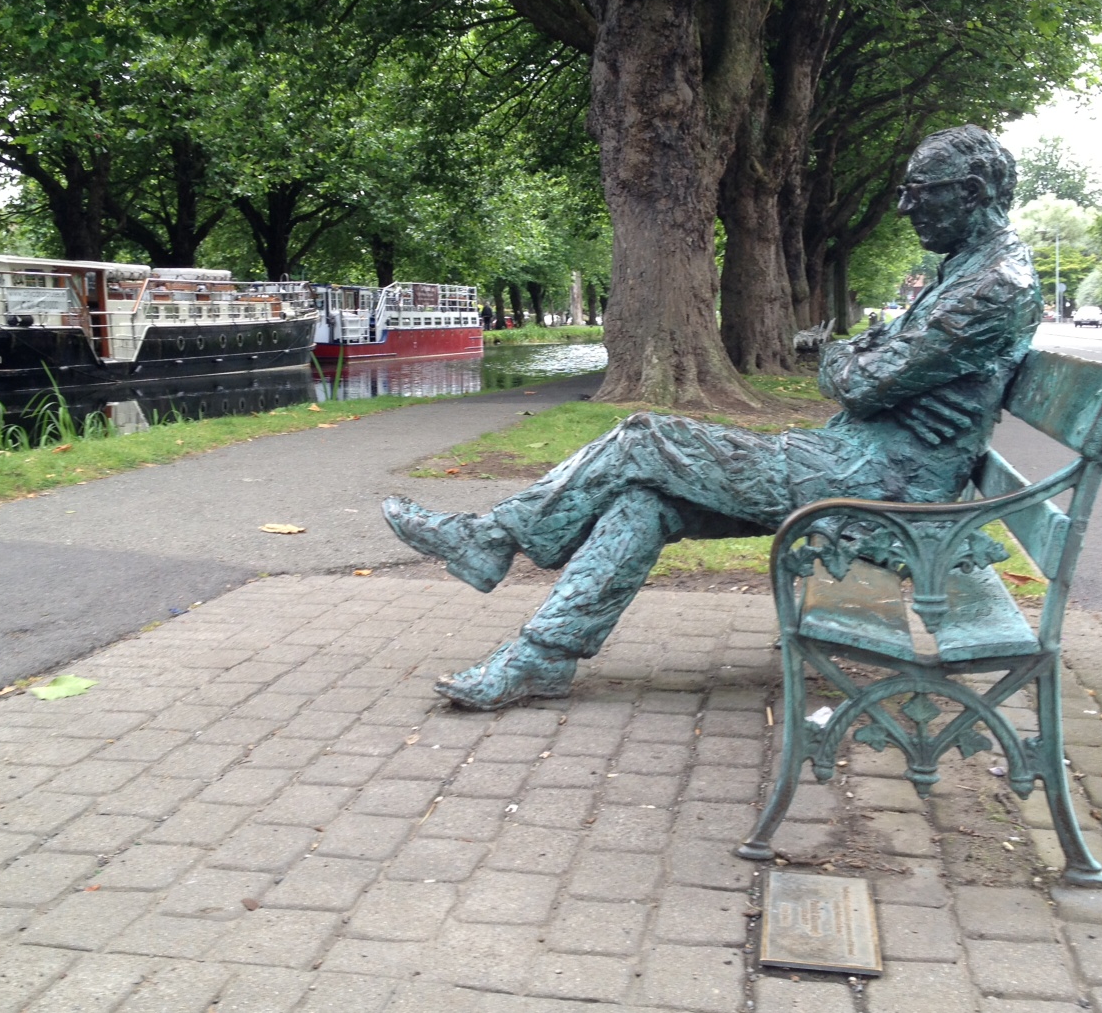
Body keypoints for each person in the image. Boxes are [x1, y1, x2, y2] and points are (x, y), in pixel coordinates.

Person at [383, 125, 1042, 710]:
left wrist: (854, 364)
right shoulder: (964, 270)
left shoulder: (994, 286)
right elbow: (865, 367)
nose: (904, 206)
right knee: (645, 500)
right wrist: (862, 364)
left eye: (920, 192)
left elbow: (860, 381)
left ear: (973, 190)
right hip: (859, 464)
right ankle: (539, 658)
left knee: (645, 438)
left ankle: (493, 538)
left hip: (884, 494)